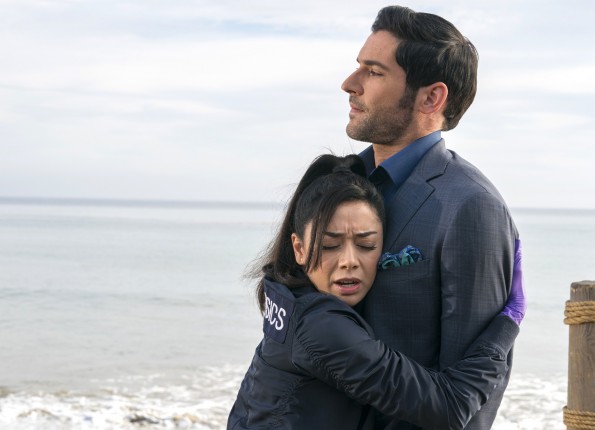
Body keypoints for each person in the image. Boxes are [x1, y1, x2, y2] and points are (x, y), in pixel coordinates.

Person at [227, 154, 525, 429]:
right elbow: (451, 407)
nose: (349, 261)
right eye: (330, 246)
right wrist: (506, 325)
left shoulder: (286, 294)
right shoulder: (322, 329)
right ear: (299, 249)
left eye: (366, 245)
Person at [341, 6, 522, 429]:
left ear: (431, 98)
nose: (349, 83)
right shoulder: (337, 184)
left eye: (373, 71)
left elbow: (471, 397)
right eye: (358, 66)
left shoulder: (472, 207)